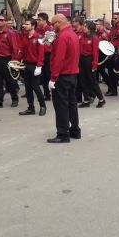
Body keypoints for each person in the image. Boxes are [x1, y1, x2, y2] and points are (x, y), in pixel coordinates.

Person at [47, 14, 79, 143]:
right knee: (72, 104)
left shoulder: (62, 37)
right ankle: (75, 130)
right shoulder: (73, 34)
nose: (52, 27)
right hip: (72, 74)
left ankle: (63, 133)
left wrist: (53, 78)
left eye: (53, 24)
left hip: (62, 75)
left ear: (59, 23)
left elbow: (58, 59)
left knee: (61, 105)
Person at [16, 18, 46, 116]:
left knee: (36, 87)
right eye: (25, 24)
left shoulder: (39, 37)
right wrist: (16, 62)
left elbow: (41, 53)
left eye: (27, 24)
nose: (25, 25)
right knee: (28, 87)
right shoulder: (25, 36)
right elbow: (22, 50)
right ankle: (30, 108)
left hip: (34, 65)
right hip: (26, 64)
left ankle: (42, 106)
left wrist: (39, 66)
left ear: (33, 26)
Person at [0, 15, 20, 108]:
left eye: (1, 20)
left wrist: (13, 62)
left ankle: (15, 99)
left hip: (7, 60)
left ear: (6, 22)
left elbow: (15, 48)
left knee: (10, 81)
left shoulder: (10, 33)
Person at [77, 20, 105, 108]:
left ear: (90, 28)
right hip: (81, 60)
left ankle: (101, 99)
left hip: (89, 60)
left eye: (85, 27)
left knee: (92, 81)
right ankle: (86, 100)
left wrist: (94, 65)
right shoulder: (81, 36)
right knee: (82, 81)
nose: (83, 28)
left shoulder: (94, 38)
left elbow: (96, 53)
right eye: (84, 26)